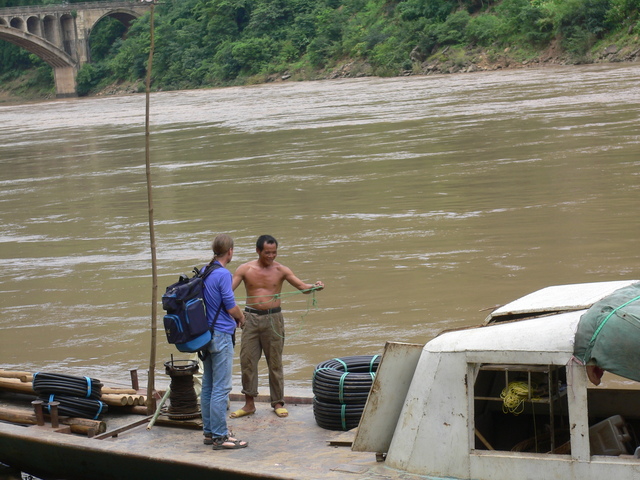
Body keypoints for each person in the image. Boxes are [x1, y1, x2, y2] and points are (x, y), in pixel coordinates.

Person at [230, 234, 324, 418]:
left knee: (275, 362)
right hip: (250, 318)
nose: (271, 256)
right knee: (247, 361)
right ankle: (249, 404)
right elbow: (227, 291)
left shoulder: (281, 270)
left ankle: (278, 402)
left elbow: (302, 287)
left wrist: (315, 286)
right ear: (258, 251)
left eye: (274, 252)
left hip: (274, 319)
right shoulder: (245, 269)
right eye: (267, 253)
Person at [200, 234, 248, 449]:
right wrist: (241, 317)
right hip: (220, 335)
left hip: (206, 335)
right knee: (221, 388)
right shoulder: (223, 274)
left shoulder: (205, 270)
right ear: (230, 251)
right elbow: (230, 304)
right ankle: (221, 436)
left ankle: (209, 432)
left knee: (209, 386)